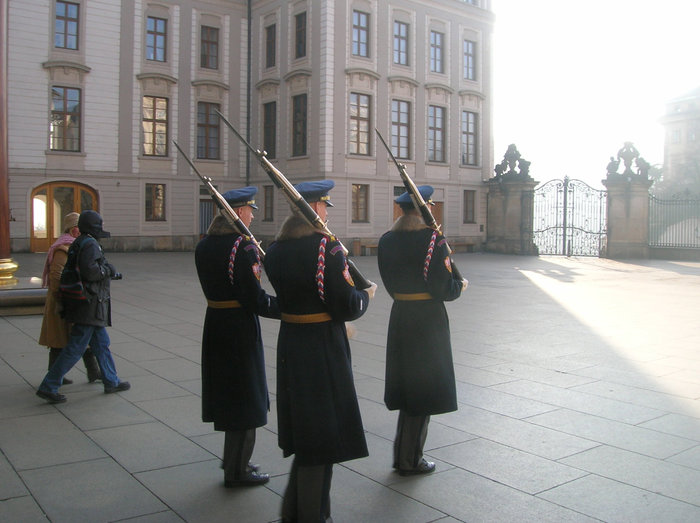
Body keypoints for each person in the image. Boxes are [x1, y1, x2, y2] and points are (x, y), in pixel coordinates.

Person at [263, 180, 377, 523]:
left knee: (308, 432)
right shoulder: (325, 249)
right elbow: (345, 304)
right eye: (324, 206)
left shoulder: (276, 249)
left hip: (293, 343)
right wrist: (365, 296)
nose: (327, 212)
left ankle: (295, 512)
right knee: (322, 435)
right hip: (322, 348)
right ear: (314, 209)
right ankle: (312, 516)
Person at [377, 185, 467, 476]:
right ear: (424, 207)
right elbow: (443, 287)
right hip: (427, 321)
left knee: (408, 390)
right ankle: (410, 460)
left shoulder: (388, 240)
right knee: (423, 391)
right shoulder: (432, 240)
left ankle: (402, 455)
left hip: (401, 315)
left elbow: (390, 283)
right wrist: (459, 286)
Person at [194, 186, 280, 488]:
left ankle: (233, 460)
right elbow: (253, 298)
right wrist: (286, 308)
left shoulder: (205, 245)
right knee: (246, 397)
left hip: (216, 323)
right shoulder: (242, 247)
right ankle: (238, 470)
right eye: (250, 209)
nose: (253, 215)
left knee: (229, 395)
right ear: (238, 212)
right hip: (239, 327)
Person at [36, 210, 129, 404]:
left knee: (101, 344)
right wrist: (107, 270)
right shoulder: (91, 244)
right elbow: (90, 272)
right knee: (75, 347)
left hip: (84, 303)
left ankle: (111, 380)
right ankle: (49, 385)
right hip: (90, 304)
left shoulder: (78, 242)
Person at [38, 212, 101, 385]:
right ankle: (54, 378)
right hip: (63, 301)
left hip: (69, 299)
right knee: (62, 340)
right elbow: (57, 277)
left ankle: (93, 372)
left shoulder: (73, 246)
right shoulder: (62, 249)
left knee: (81, 338)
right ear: (74, 230)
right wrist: (66, 298)